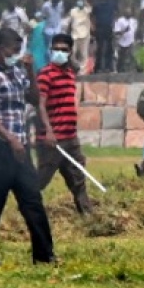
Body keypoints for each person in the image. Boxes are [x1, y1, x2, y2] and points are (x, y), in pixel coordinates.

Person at [0, 27, 57, 266]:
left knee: (32, 200)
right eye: (14, 50)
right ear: (1, 49)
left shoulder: (18, 73)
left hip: (21, 146)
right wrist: (9, 138)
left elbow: (34, 99)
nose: (17, 54)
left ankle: (44, 255)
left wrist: (31, 72)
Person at [36, 33, 94, 213]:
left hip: (70, 137)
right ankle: (27, 207)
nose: (59, 52)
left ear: (69, 52)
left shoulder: (69, 73)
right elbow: (40, 104)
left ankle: (87, 213)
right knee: (41, 179)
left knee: (78, 176)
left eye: (63, 50)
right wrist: (48, 131)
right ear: (51, 50)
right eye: (56, 49)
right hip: (53, 139)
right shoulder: (46, 74)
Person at [92, 0, 119, 73]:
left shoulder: (112, 4)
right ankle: (98, 67)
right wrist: (93, 27)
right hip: (99, 28)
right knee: (99, 48)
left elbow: (116, 13)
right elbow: (93, 16)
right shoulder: (97, 5)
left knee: (109, 48)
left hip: (109, 28)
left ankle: (109, 67)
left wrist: (114, 23)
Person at [67, 0, 92, 70]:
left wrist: (86, 3)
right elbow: (69, 22)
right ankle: (76, 66)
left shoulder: (86, 10)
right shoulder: (73, 11)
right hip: (75, 35)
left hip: (85, 35)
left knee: (83, 54)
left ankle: (82, 70)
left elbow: (90, 8)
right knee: (72, 52)